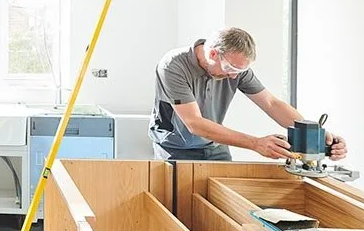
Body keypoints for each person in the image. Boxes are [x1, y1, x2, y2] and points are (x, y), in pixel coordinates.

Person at [149, 27, 348, 162]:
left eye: (241, 71)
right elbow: (195, 124)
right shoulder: (173, 66)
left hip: (215, 146)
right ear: (213, 54)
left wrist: (314, 134)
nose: (234, 76)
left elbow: (270, 103)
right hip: (176, 149)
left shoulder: (235, 69)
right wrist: (256, 143)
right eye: (231, 68)